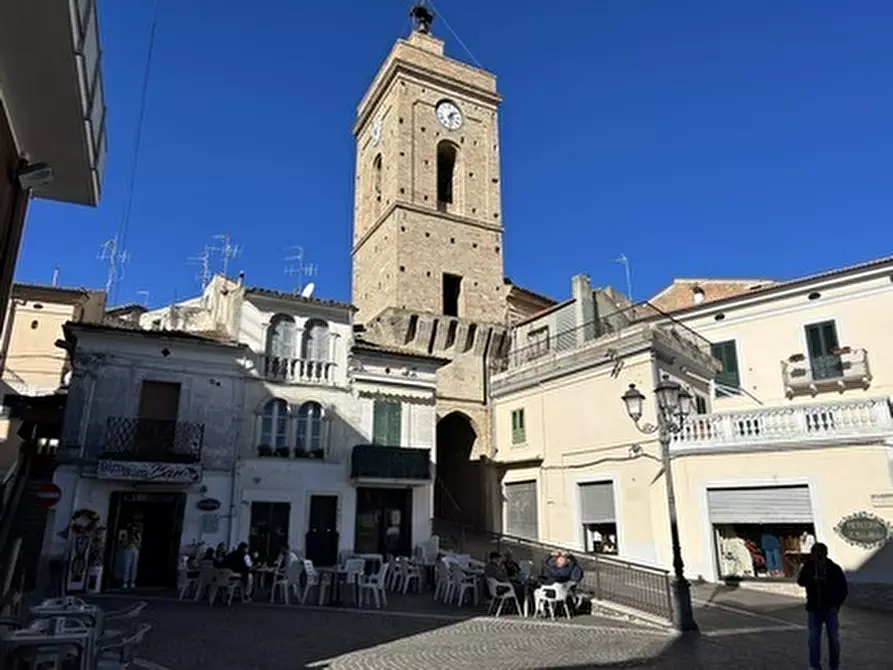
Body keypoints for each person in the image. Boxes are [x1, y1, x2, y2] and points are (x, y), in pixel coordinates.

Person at [797, 542, 847, 670]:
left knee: (834, 639)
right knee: (813, 639)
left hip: (830, 608)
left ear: (825, 554)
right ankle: (814, 665)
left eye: (820, 554)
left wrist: (837, 604)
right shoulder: (808, 567)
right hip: (814, 608)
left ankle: (834, 665)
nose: (818, 557)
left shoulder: (834, 568)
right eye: (815, 554)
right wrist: (812, 580)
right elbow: (801, 581)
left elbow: (843, 588)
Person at [118, 523, 142, 589]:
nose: (133, 530)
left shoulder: (137, 535)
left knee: (134, 566)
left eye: (134, 528)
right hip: (128, 549)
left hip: (135, 549)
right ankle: (125, 582)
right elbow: (123, 543)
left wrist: (134, 538)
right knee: (126, 566)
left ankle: (132, 582)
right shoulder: (126, 534)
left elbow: (139, 545)